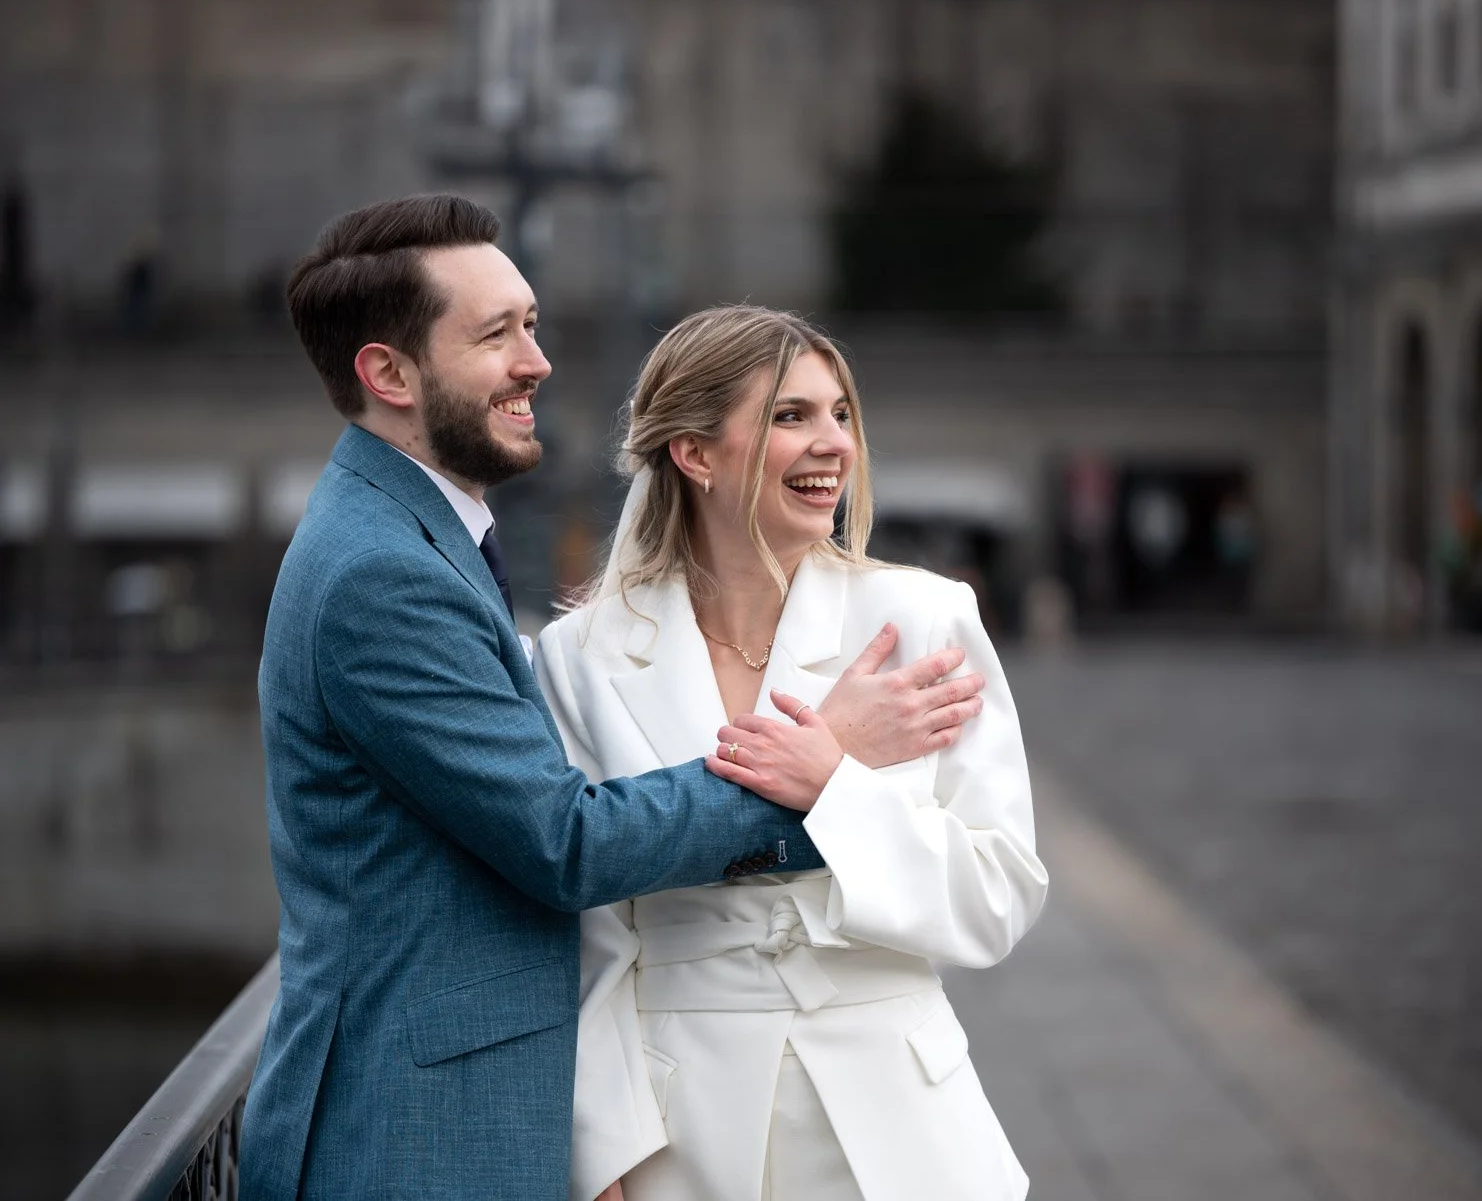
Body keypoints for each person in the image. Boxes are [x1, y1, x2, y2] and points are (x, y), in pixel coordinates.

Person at [239, 195, 985, 1201]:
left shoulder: (406, 533)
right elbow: (565, 844)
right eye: (496, 336)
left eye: (531, 325)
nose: (537, 362)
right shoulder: (384, 571)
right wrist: (819, 767)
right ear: (389, 374)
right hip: (414, 1133)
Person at [537, 306, 1051, 1201]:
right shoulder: (579, 656)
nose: (834, 443)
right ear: (694, 453)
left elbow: (999, 892)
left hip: (900, 1129)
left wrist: (835, 790)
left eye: (841, 413)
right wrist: (601, 1148)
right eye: (791, 415)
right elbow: (584, 937)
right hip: (679, 1137)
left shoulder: (926, 620)